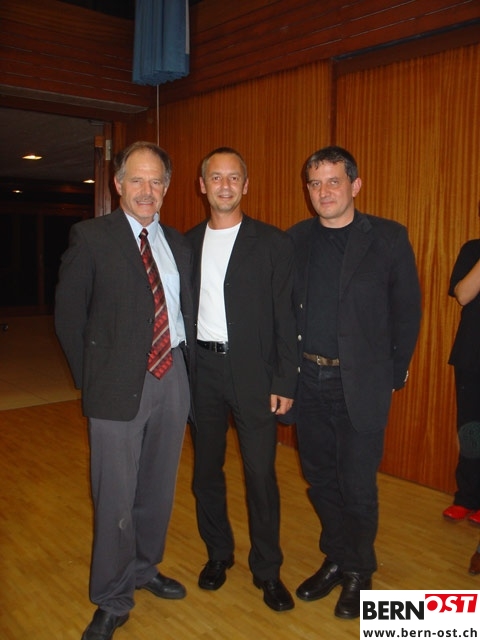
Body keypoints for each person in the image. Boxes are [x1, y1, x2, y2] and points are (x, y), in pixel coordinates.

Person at [55, 141, 195, 640]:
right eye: (137, 179)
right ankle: (112, 597)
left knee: (158, 487)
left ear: (167, 187)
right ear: (117, 184)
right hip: (115, 384)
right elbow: (69, 315)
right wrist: (92, 380)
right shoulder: (92, 236)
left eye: (156, 181)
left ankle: (143, 569)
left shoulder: (177, 243)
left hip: (172, 375)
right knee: (114, 495)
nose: (146, 190)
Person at [287, 145, 421, 619]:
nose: (324, 191)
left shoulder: (387, 238)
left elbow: (408, 312)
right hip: (308, 380)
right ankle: (337, 558)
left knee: (357, 484)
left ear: (355, 185)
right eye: (315, 183)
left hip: (360, 383)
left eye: (333, 181)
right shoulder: (296, 239)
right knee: (320, 479)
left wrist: (391, 376)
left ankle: (360, 570)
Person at [186, 147, 298, 612]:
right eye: (216, 177)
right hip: (202, 372)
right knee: (205, 472)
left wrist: (285, 380)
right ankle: (218, 554)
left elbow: (287, 316)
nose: (225, 185)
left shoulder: (273, 243)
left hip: (254, 374)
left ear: (246, 185)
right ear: (202, 186)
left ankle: (267, 570)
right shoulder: (187, 243)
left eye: (234, 177)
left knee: (260, 475)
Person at [442, 236, 480, 524]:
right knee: (470, 429)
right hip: (472, 352)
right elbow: (463, 294)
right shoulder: (472, 249)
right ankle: (467, 497)